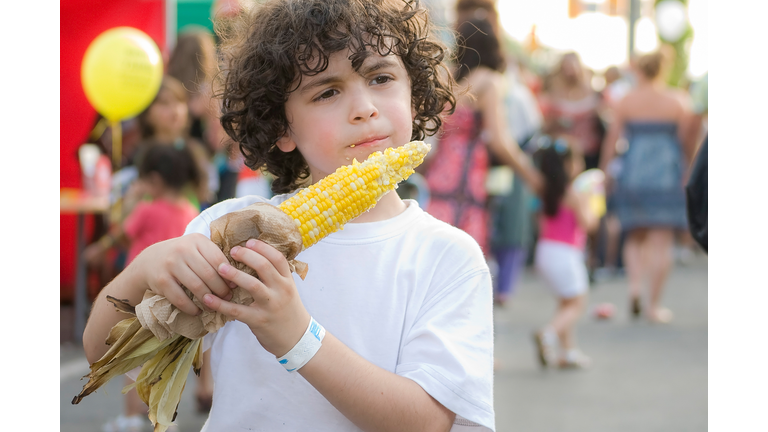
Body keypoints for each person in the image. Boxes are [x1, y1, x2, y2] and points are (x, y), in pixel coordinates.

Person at [83, 1, 497, 432]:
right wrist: (143, 271)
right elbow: (102, 353)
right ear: (282, 127)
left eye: (381, 77)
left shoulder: (448, 257)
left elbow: (427, 422)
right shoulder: (228, 230)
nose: (364, 108)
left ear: (415, 95)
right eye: (327, 92)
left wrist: (298, 338)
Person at [85, 144, 203, 432]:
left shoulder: (147, 209)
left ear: (154, 180)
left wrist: (132, 200)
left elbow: (122, 232)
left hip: (140, 298)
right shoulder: (191, 210)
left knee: (133, 355)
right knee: (163, 359)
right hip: (174, 299)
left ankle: (131, 418)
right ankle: (160, 417)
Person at [599, 51, 695, 324]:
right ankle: (654, 305)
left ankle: (633, 289)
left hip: (634, 171)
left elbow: (612, 141)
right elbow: (687, 141)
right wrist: (689, 170)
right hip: (666, 173)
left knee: (634, 235)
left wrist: (607, 172)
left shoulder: (626, 101)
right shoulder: (677, 100)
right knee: (661, 241)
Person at [422, 15, 525, 256]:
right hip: (467, 175)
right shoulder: (489, 82)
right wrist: (531, 175)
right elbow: (500, 141)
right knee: (463, 252)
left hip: (439, 170)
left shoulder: (445, 77)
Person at [496, 133, 600, 368]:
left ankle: (569, 351)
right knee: (576, 304)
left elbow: (525, 169)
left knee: (565, 302)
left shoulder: (543, 187)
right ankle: (548, 333)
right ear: (568, 165)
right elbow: (588, 223)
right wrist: (594, 208)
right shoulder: (576, 194)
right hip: (567, 254)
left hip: (545, 251)